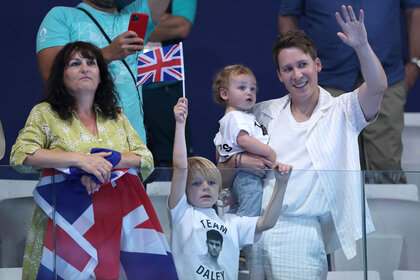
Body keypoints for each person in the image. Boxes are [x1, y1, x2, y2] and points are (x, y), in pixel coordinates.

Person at [218, 5, 384, 279]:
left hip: (301, 232)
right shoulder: (260, 112)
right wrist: (239, 160)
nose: (297, 75)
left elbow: (377, 87)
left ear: (317, 65)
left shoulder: (343, 110)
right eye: (288, 69)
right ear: (280, 75)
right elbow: (221, 172)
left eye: (303, 65)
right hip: (250, 227)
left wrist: (362, 46)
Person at [10, 41, 178, 279]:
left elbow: (146, 158)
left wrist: (109, 162)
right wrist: (80, 161)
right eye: (75, 63)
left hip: (112, 220)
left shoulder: (116, 115)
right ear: (61, 75)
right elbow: (21, 155)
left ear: (101, 75)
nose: (85, 68)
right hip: (64, 222)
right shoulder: (45, 112)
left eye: (91, 62)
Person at [278, 0, 420, 182]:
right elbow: (288, 15)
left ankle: (388, 211)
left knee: (386, 165)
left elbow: (414, 9)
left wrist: (415, 63)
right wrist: (298, 67)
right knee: (334, 167)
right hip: (327, 79)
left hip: (386, 76)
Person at [170, 97, 292, 280]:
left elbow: (266, 222)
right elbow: (180, 168)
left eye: (211, 183)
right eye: (196, 183)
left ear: (219, 189)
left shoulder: (231, 223)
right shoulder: (182, 214)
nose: (205, 187)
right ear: (185, 190)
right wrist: (180, 124)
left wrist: (281, 185)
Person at [36, 0, 171, 143]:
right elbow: (51, 75)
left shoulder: (133, 15)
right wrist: (107, 54)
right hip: (81, 143)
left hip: (133, 143)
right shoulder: (61, 16)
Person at [212, 64, 277, 217]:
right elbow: (244, 141)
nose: (249, 92)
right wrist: (269, 152)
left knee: (241, 205)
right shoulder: (236, 117)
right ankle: (244, 236)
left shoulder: (235, 117)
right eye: (242, 88)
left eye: (252, 88)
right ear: (224, 94)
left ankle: (233, 229)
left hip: (240, 175)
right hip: (246, 175)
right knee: (250, 208)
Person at [142, 0, 197, 166]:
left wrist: (133, 25)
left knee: (175, 155)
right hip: (123, 81)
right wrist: (163, 19)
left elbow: (181, 26)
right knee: (130, 152)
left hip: (162, 81)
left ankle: (180, 193)